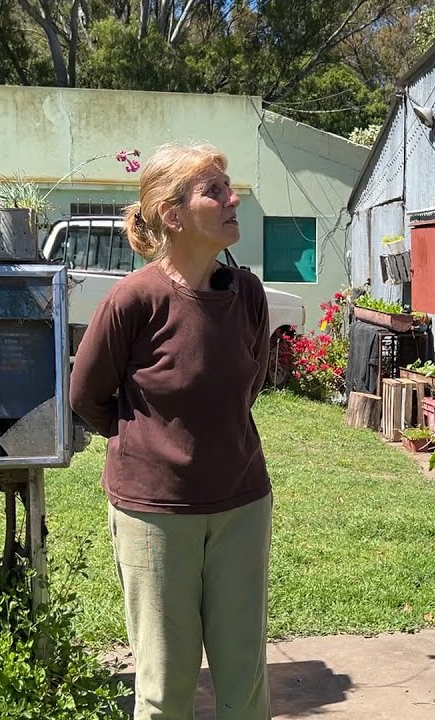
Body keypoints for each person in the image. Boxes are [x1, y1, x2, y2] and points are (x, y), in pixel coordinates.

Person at [69, 142, 272, 720]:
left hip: (241, 504)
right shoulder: (134, 300)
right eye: (214, 190)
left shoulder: (248, 295)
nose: (233, 199)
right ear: (172, 214)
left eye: (228, 187)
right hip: (154, 515)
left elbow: (246, 388)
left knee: (245, 682)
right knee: (164, 685)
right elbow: (87, 397)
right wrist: (150, 446)